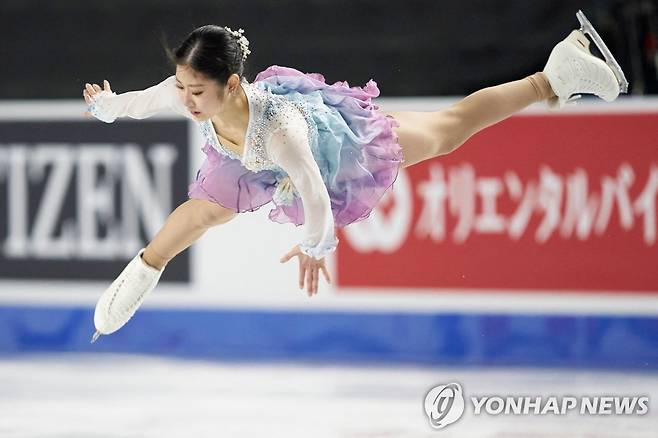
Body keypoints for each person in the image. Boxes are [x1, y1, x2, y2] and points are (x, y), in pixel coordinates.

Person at [86, 12, 627, 343]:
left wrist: (315, 246)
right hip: (243, 157)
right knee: (208, 207)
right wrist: (108, 107)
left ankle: (549, 76)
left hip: (332, 153)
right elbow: (144, 101)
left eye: (196, 92)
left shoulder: (282, 130)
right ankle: (139, 273)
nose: (184, 100)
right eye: (181, 87)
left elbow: (316, 196)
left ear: (230, 85)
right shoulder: (188, 89)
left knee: (446, 130)